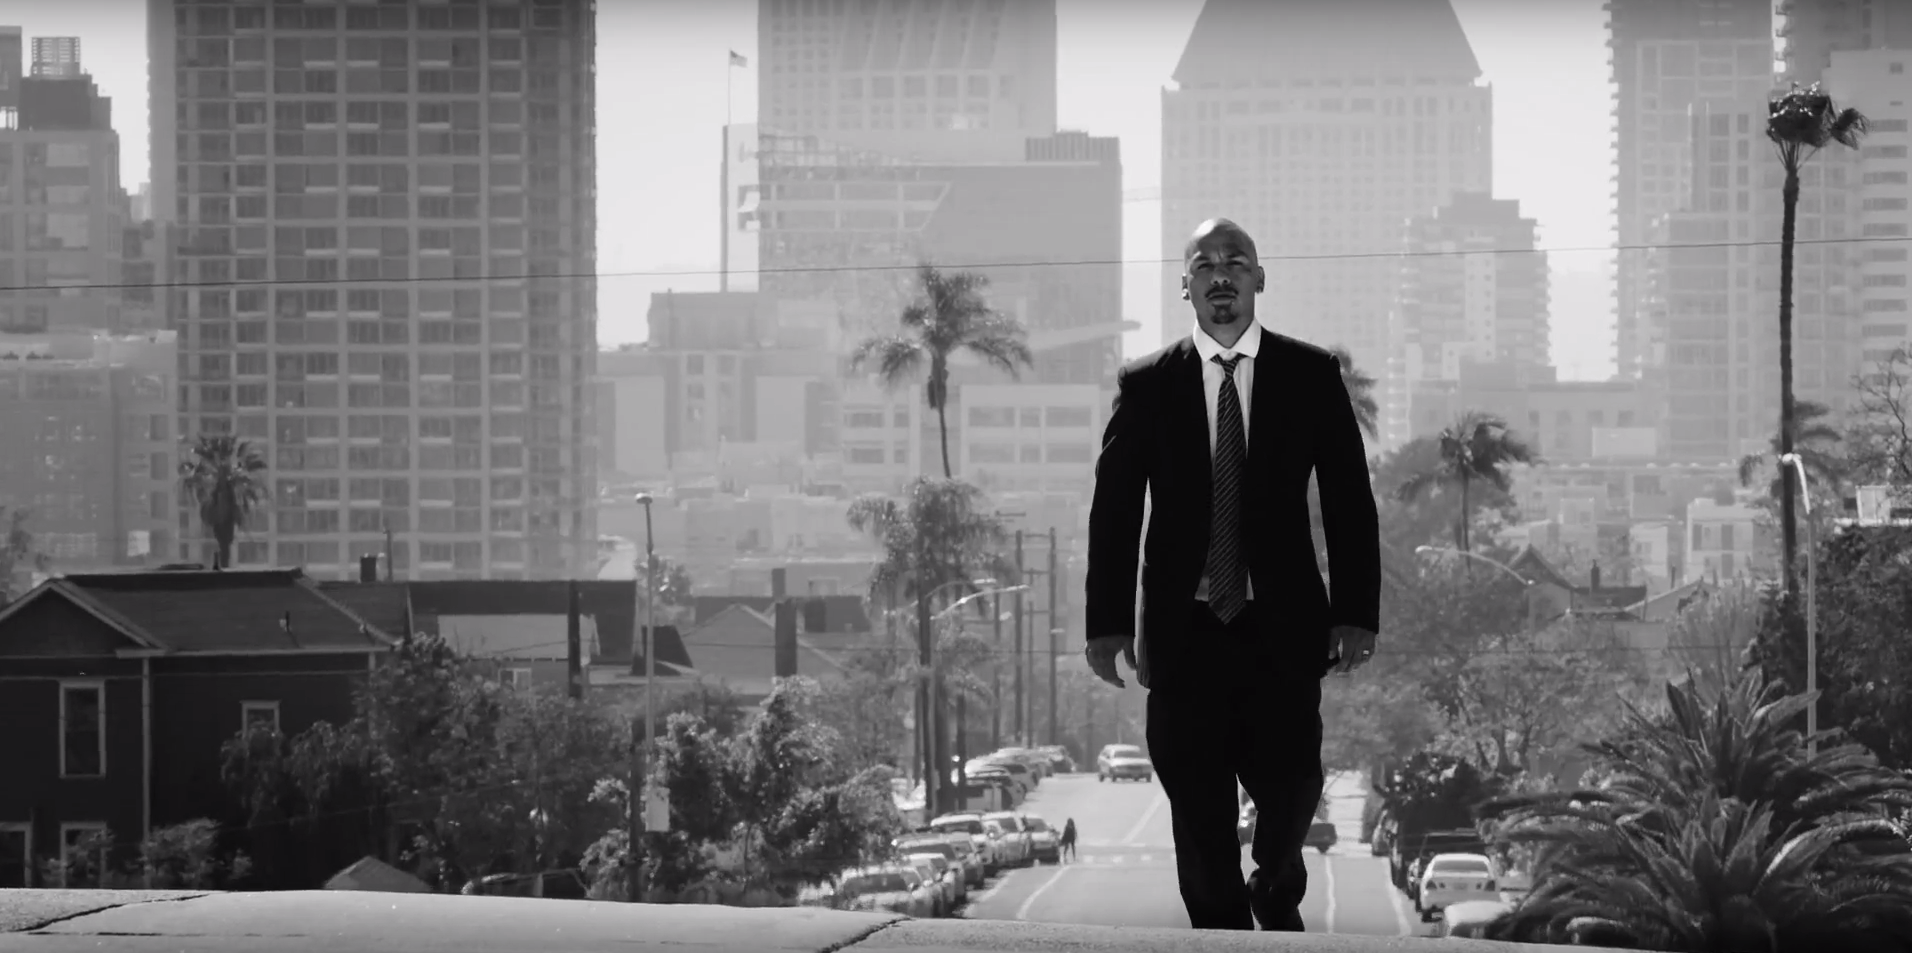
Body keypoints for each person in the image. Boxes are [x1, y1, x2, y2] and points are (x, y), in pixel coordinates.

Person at [1083, 217, 1381, 933]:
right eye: (1205, 265)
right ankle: (1220, 938)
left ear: (1259, 278)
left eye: (1236, 262)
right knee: (1198, 808)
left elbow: (1348, 498)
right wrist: (1107, 624)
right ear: (1185, 286)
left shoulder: (1309, 375)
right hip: (1183, 634)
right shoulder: (1147, 385)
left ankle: (1276, 885)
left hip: (1280, 627)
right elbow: (1115, 508)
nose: (1221, 275)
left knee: (1294, 784)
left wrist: (1355, 612)